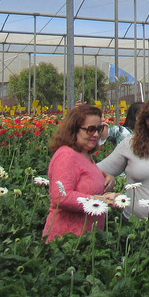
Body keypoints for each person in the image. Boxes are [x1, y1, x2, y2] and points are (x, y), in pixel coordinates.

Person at [43, 102, 113, 241]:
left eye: (98, 129)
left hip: (86, 239)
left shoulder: (85, 155)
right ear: (74, 129)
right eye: (90, 129)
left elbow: (85, 183)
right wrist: (98, 200)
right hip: (66, 241)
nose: (95, 134)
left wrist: (108, 180)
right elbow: (61, 197)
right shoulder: (67, 155)